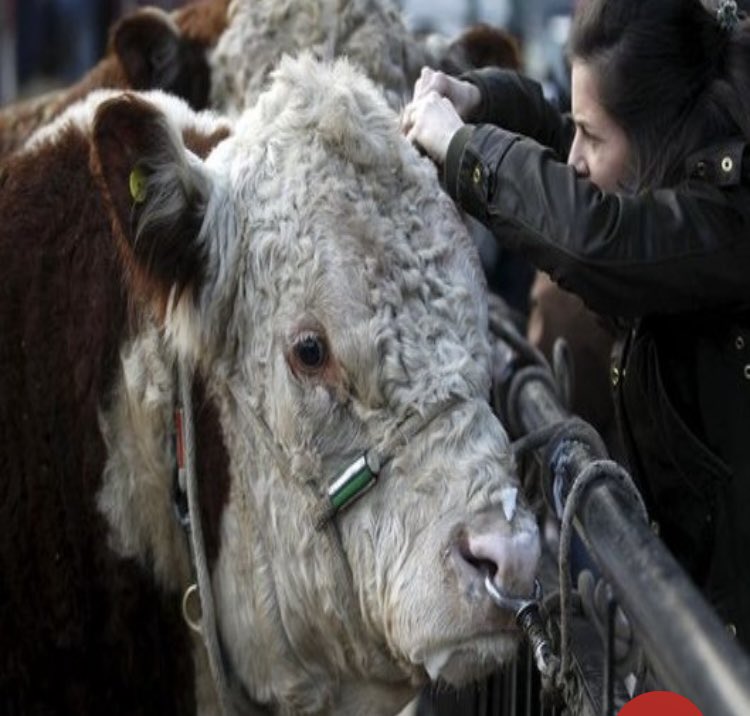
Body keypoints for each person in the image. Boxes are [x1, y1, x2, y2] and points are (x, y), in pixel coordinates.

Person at [402, 0, 750, 650]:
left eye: (593, 138)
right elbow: (568, 135)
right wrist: (480, 98)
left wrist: (459, 146)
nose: (576, 159)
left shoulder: (728, 215)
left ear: (659, 137)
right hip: (690, 616)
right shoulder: (677, 153)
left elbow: (595, 239)